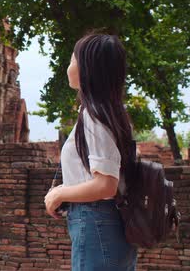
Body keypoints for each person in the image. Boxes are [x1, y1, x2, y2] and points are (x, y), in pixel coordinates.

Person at [44, 33, 138, 270]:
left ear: (87, 69)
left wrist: (60, 194)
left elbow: (106, 184)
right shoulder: (110, 112)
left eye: (72, 60)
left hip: (97, 220)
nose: (68, 67)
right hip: (107, 222)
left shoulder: (94, 116)